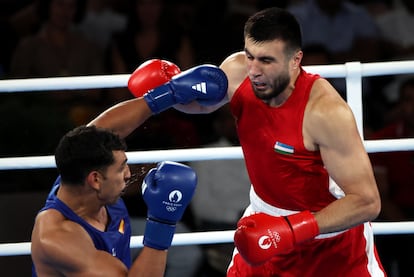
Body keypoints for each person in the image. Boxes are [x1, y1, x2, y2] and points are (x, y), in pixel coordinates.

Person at [158, 7, 384, 276]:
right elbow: (200, 106)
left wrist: (291, 230)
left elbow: (367, 202)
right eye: (250, 56)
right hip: (262, 228)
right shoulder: (238, 71)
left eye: (266, 60)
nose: (254, 70)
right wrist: (167, 90)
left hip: (328, 245)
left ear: (295, 60)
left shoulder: (326, 112)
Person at [31, 58, 229, 276]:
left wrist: (169, 93)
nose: (128, 175)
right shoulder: (58, 238)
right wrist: (163, 222)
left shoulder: (79, 169)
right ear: (95, 180)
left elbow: (103, 130)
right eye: (121, 168)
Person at [368, 77, 414, 277]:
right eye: (408, 99)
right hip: (399, 213)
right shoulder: (383, 139)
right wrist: (408, 229)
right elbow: (381, 197)